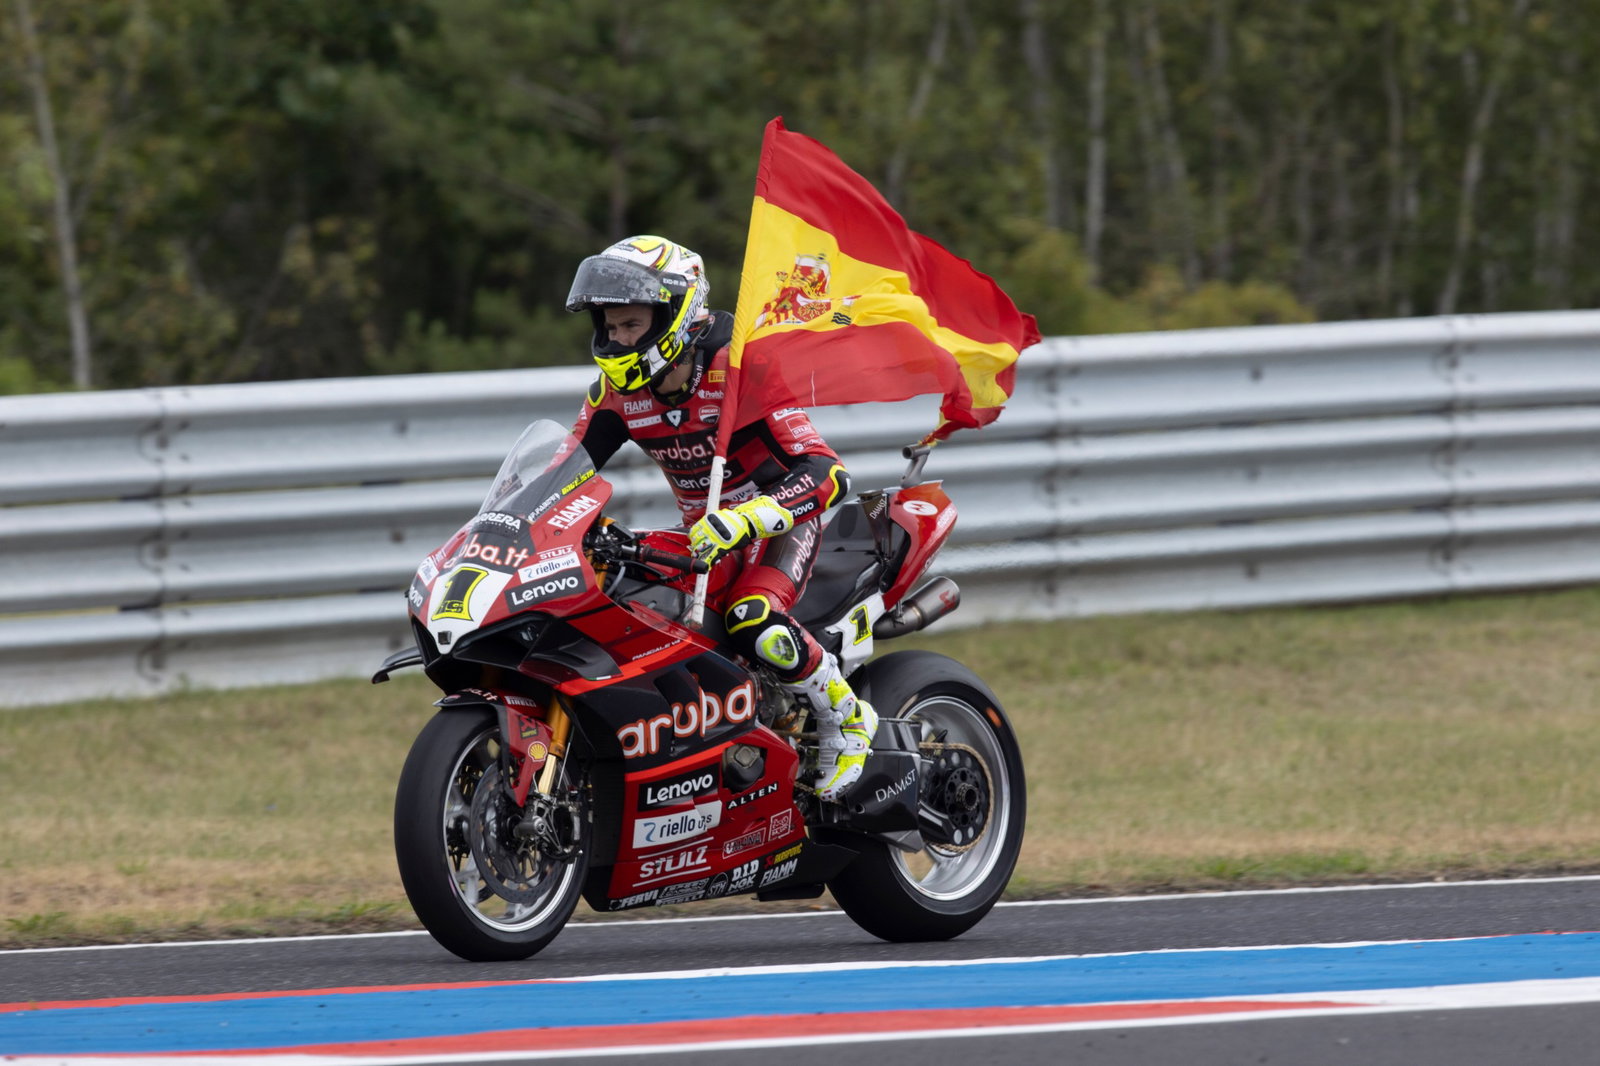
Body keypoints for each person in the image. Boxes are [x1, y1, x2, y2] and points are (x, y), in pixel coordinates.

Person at [565, 234, 877, 802]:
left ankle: (847, 718)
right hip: (704, 537)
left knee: (751, 617)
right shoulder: (613, 393)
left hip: (776, 526)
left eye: (631, 326)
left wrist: (750, 517)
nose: (617, 340)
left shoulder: (740, 368)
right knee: (626, 601)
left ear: (674, 317)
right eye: (610, 327)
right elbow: (565, 471)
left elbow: (828, 473)